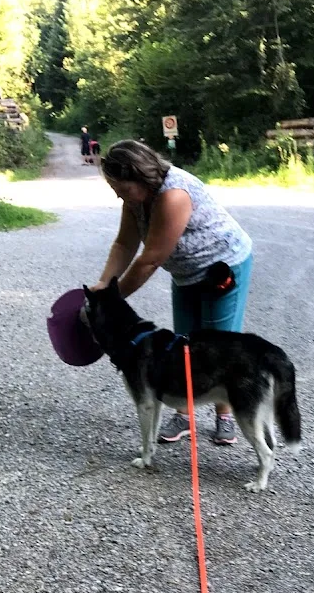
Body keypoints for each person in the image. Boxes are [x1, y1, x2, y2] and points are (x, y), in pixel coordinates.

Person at [90, 139, 253, 445]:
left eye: (122, 188)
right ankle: (184, 413)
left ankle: (225, 415)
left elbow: (149, 259)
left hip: (223, 265)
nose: (117, 194)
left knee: (219, 346)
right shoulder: (136, 198)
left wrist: (111, 302)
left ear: (141, 177)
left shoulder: (173, 195)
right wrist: (104, 283)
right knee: (184, 343)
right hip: (186, 273)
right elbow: (125, 244)